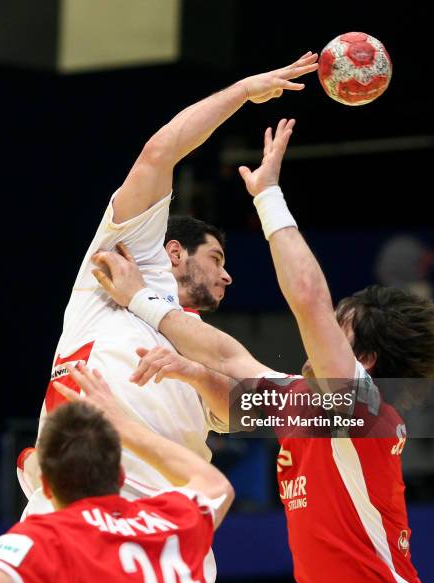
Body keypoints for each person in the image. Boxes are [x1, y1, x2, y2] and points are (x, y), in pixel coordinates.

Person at [94, 119, 434, 583]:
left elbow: (307, 300)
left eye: (338, 329)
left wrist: (268, 197)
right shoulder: (303, 404)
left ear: (364, 361)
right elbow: (226, 360)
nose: (319, 335)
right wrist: (181, 358)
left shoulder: (360, 409)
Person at [19, 53, 318, 504]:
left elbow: (249, 408)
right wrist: (242, 92)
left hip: (164, 535)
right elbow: (160, 151)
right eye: (216, 258)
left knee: (349, 409)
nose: (228, 275)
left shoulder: (205, 345)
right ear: (174, 252)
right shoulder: (116, 265)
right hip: (68, 522)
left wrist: (195, 373)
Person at [0, 363, 233, 583]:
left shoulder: (44, 539)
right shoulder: (171, 520)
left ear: (45, 487)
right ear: (120, 476)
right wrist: (122, 423)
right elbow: (215, 483)